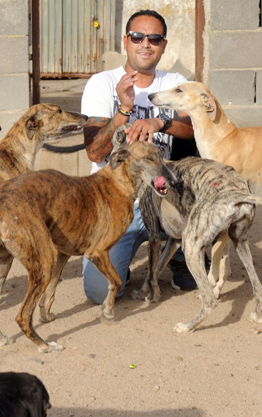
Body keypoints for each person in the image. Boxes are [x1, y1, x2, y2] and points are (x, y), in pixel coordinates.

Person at [80, 9, 196, 304]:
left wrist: (161, 122)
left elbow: (198, 129)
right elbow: (95, 151)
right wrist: (124, 110)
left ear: (164, 45)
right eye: (138, 37)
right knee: (100, 292)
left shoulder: (175, 82)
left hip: (165, 200)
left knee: (196, 278)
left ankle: (180, 256)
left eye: (154, 38)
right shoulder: (102, 83)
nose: (146, 44)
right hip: (118, 205)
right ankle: (125, 260)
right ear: (126, 41)